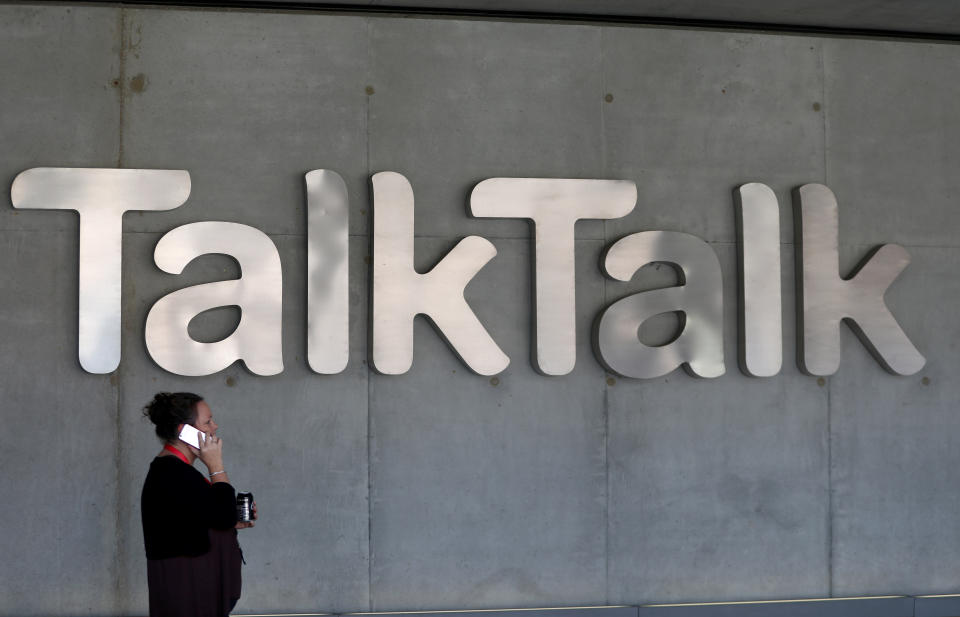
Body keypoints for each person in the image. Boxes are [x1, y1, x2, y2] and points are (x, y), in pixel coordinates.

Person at [141, 392, 258, 617]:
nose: (215, 426)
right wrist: (216, 466)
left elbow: (200, 517)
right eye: (207, 422)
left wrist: (233, 522)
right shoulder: (172, 472)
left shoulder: (175, 471)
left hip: (191, 586)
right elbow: (222, 515)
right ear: (183, 431)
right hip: (187, 589)